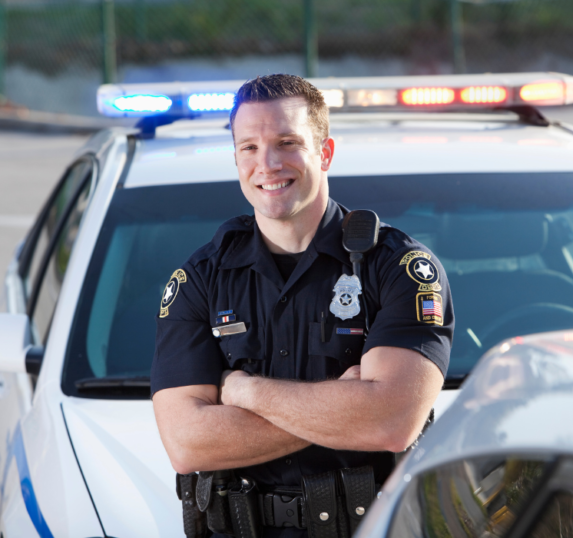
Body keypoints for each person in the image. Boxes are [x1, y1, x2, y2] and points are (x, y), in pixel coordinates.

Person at [151, 74, 454, 538]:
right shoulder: (200, 280)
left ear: (325, 153)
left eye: (286, 142)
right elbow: (187, 443)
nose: (267, 164)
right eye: (248, 147)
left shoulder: (396, 268)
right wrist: (347, 409)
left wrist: (245, 393)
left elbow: (392, 422)